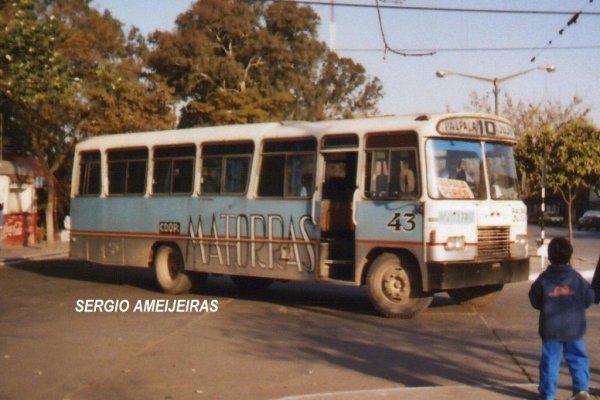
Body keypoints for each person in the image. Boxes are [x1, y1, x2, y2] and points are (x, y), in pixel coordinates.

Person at [529, 237, 594, 400]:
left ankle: (548, 394)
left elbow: (534, 299)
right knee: (578, 358)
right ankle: (581, 389)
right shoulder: (576, 278)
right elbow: (589, 297)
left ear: (549, 256)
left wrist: (545, 306)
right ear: (569, 256)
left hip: (551, 327)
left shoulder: (544, 279)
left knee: (550, 361)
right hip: (574, 327)